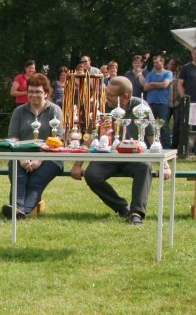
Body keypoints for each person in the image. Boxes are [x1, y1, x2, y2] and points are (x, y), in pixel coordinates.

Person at [70, 76, 170, 226]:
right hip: (107, 157)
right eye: (106, 93)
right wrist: (77, 165)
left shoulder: (141, 107)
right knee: (91, 175)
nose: (107, 98)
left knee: (145, 167)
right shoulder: (102, 107)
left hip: (134, 157)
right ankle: (122, 208)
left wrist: (165, 165)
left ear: (125, 97)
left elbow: (152, 138)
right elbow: (90, 138)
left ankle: (136, 213)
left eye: (111, 95)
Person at [3, 74, 63, 219]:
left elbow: (58, 138)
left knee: (36, 181)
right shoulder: (19, 111)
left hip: (50, 157)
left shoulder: (55, 110)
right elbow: (13, 137)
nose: (34, 95)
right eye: (31, 91)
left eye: (38, 92)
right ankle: (18, 208)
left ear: (46, 93)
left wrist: (39, 159)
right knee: (19, 178)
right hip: (21, 154)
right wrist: (21, 158)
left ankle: (21, 210)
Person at [143, 55, 173, 148]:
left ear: (162, 63)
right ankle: (148, 146)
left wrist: (152, 84)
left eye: (157, 62)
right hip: (150, 103)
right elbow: (145, 87)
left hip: (162, 103)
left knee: (163, 126)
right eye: (154, 63)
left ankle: (166, 147)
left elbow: (165, 84)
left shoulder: (168, 73)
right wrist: (158, 84)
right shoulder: (150, 74)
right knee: (149, 126)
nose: (155, 64)